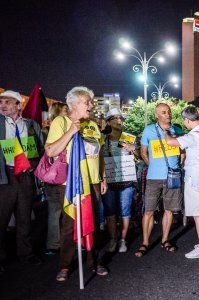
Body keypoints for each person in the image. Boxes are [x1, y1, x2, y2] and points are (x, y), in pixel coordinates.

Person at [45, 86, 108, 281]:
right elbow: (50, 151)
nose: (91, 105)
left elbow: (100, 154)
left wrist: (103, 177)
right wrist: (71, 131)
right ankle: (65, 265)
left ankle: (93, 262)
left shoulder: (93, 125)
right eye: (86, 102)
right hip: (71, 182)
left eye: (91, 101)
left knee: (94, 223)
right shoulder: (60, 122)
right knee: (69, 225)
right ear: (74, 104)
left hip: (93, 182)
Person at [0, 90, 44, 274]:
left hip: (25, 176)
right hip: (5, 176)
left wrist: (34, 164)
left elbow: (40, 148)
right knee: (1, 219)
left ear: (18, 105)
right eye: (1, 102)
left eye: (8, 102)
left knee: (25, 217)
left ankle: (25, 253)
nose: (3, 105)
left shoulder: (31, 125)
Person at [164, 106, 199, 259]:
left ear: (187, 120)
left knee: (197, 214)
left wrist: (166, 131)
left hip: (194, 176)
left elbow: (170, 142)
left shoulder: (194, 135)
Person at [136, 103, 183, 257]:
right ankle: (145, 242)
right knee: (149, 210)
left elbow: (183, 150)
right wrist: (154, 165)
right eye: (163, 112)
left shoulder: (177, 129)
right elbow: (143, 152)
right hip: (153, 177)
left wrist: (179, 163)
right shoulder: (149, 130)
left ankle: (165, 240)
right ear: (157, 115)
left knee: (169, 210)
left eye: (168, 111)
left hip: (173, 176)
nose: (167, 114)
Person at [102, 108, 138, 253]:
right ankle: (112, 239)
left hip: (126, 181)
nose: (120, 121)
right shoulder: (102, 139)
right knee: (110, 211)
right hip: (109, 180)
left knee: (125, 210)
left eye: (122, 118)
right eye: (116, 118)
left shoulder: (129, 137)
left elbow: (139, 157)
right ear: (109, 121)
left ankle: (122, 240)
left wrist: (133, 150)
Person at [44, 101, 69, 255]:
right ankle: (54, 244)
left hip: (64, 174)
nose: (68, 112)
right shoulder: (49, 130)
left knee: (63, 211)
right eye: (66, 110)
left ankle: (61, 243)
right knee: (55, 211)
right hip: (54, 176)